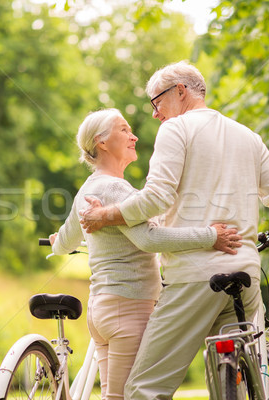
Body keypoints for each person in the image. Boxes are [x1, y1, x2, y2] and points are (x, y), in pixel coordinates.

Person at [78, 61, 269, 400]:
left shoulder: (177, 130)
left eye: (156, 102)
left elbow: (156, 198)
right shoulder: (248, 137)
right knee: (236, 380)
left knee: (144, 388)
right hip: (246, 275)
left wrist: (108, 214)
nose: (156, 115)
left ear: (181, 92)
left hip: (194, 276)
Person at [48, 108, 242, 400]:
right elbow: (148, 240)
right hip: (129, 307)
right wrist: (210, 236)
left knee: (115, 396)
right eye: (124, 129)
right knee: (130, 396)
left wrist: (54, 242)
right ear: (101, 142)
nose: (134, 135)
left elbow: (64, 243)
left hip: (101, 310)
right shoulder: (114, 188)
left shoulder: (88, 189)